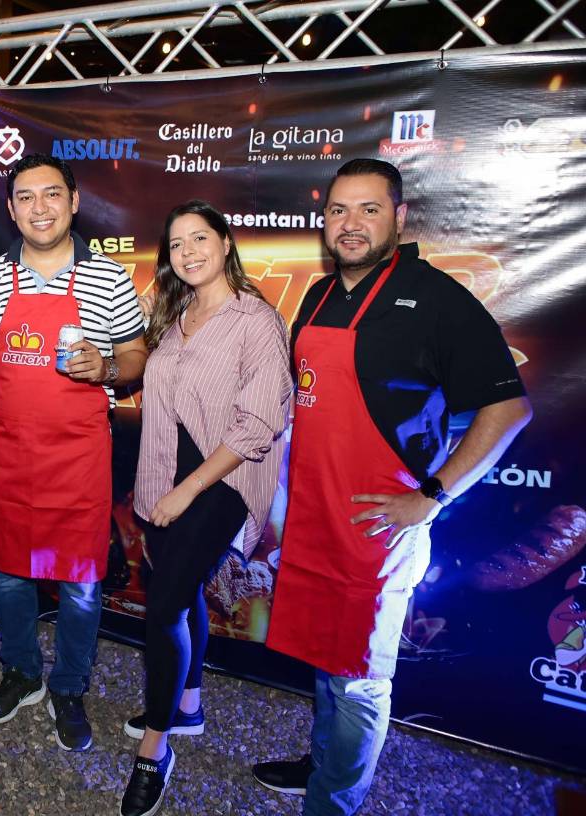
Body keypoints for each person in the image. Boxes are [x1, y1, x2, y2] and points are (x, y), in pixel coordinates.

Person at [252, 159, 532, 815]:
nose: (351, 225)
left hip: (379, 529)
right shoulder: (321, 294)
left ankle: (335, 802)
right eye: (339, 211)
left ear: (399, 218)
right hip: (315, 515)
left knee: (358, 679)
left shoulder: (434, 298)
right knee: (327, 658)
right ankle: (324, 765)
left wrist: (431, 494)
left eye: (369, 210)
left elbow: (509, 408)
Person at [0, 154, 148, 751]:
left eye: (51, 195)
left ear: (73, 201)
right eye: (26, 197)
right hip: (8, 457)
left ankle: (68, 685)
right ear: (10, 208)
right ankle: (22, 673)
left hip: (78, 460)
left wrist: (110, 366)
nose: (39, 208)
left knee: (81, 584)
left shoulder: (108, 279)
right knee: (10, 577)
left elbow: (138, 356)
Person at [117, 201, 291, 816]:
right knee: (176, 585)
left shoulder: (257, 322)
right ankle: (187, 703)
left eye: (199, 238)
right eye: (175, 243)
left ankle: (154, 749)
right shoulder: (174, 314)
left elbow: (258, 426)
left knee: (163, 605)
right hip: (162, 475)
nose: (187, 251)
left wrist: (187, 490)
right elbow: (148, 387)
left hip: (221, 482)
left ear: (224, 243)